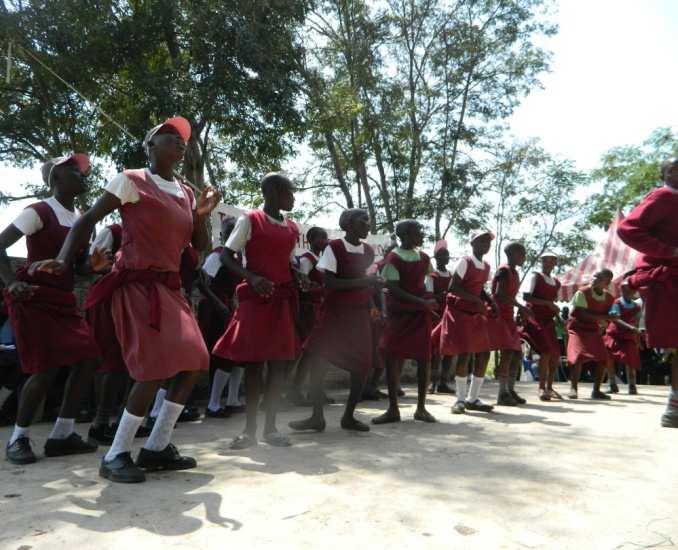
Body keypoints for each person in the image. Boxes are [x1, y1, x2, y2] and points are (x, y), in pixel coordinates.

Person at [31, 116, 220, 482]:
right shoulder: (130, 180)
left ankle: (157, 447)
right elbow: (87, 222)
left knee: (196, 362)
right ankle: (116, 454)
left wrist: (201, 216)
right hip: (136, 285)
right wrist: (63, 258)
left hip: (168, 288)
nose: (179, 143)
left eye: (182, 141)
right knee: (153, 368)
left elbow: (199, 246)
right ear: (149, 145)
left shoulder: (185, 192)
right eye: (169, 137)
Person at [0, 154, 102, 464]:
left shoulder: (84, 219)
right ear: (55, 177)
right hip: (35, 297)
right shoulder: (39, 211)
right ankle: (18, 439)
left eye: (81, 170)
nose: (80, 174)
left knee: (88, 359)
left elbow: (79, 268)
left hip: (64, 300)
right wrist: (9, 284)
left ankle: (62, 435)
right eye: (72, 169)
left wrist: (93, 266)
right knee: (45, 369)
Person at [212, 172, 306, 449]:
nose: (293, 197)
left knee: (277, 366)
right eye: (290, 192)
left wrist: (298, 276)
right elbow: (226, 256)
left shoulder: (291, 228)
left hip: (281, 301)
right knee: (254, 365)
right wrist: (251, 277)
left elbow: (288, 262)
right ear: (275, 192)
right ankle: (249, 430)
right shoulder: (250, 220)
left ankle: (271, 428)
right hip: (256, 300)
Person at [289, 208, 383, 433]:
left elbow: (367, 283)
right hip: (335, 313)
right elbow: (331, 284)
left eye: (368, 220)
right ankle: (316, 417)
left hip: (359, 315)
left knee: (362, 365)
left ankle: (348, 416)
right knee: (316, 357)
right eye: (363, 220)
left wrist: (372, 301)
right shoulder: (335, 248)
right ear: (348, 224)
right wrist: (366, 282)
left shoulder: (369, 251)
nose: (368, 224)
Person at [617, 157, 678, 427]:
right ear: (663, 174)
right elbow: (627, 228)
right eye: (673, 169)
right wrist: (669, 251)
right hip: (669, 278)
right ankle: (674, 406)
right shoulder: (662, 196)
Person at [372, 220, 437, 424]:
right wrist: (420, 301)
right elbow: (393, 288)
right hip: (399, 314)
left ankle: (421, 408)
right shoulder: (393, 258)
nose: (422, 235)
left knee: (424, 358)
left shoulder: (425, 258)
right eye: (418, 231)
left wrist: (430, 299)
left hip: (420, 316)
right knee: (392, 356)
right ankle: (393, 408)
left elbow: (428, 284)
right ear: (406, 234)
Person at [441, 230, 497, 415]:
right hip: (461, 312)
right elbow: (454, 287)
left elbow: (479, 289)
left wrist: (490, 301)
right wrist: (475, 300)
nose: (485, 245)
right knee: (465, 354)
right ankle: (460, 400)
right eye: (481, 241)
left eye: (488, 242)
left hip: (475, 312)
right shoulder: (465, 262)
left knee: (483, 354)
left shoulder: (486, 266)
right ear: (472, 244)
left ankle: (473, 399)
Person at [197, 216, 245, 417]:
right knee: (222, 355)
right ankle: (213, 404)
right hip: (215, 310)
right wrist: (218, 304)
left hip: (232, 309)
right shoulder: (218, 255)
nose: (234, 233)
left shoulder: (238, 257)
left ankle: (233, 400)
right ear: (223, 234)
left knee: (239, 356)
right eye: (230, 229)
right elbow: (202, 282)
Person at [487, 242, 533, 406]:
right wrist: (521, 306)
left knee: (516, 353)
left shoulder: (515, 272)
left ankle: (510, 389)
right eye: (522, 254)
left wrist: (519, 309)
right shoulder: (504, 270)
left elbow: (510, 296)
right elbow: (499, 295)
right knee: (507, 353)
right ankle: (502, 394)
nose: (524, 257)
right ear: (513, 254)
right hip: (498, 315)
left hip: (508, 316)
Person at [288, 226, 329, 406]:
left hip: (319, 309)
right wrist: (316, 289)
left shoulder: (322, 260)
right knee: (307, 352)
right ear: (311, 239)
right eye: (322, 238)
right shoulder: (307, 259)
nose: (326, 241)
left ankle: (315, 390)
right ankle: (295, 391)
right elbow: (302, 284)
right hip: (308, 310)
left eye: (326, 238)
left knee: (318, 353)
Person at [566, 269, 617, 400]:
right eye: (595, 276)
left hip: (593, 330)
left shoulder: (610, 298)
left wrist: (611, 317)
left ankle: (596, 391)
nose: (595, 279)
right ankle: (573, 388)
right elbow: (583, 314)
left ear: (607, 282)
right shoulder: (582, 293)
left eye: (600, 278)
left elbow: (612, 315)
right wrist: (604, 317)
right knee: (577, 356)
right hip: (577, 328)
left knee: (603, 358)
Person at [522, 251, 563, 401]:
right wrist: (548, 304)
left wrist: (558, 316)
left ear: (555, 263)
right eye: (546, 260)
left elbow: (552, 304)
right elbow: (526, 297)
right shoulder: (536, 276)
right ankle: (541, 388)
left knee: (555, 354)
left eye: (552, 260)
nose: (549, 263)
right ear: (542, 261)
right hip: (535, 318)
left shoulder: (556, 282)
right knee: (545, 351)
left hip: (548, 321)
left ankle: (550, 387)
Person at [604, 282, 642, 395]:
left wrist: (637, 339)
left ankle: (632, 386)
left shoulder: (636, 306)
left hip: (628, 336)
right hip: (614, 334)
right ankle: (612, 385)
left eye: (631, 290)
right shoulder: (616, 302)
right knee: (609, 359)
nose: (628, 292)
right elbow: (615, 319)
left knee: (630, 360)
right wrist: (631, 327)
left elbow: (637, 323)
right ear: (622, 290)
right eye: (625, 290)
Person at [428, 240, 455, 395]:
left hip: (449, 315)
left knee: (449, 349)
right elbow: (429, 295)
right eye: (442, 255)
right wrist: (441, 295)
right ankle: (433, 382)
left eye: (447, 255)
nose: (446, 257)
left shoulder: (451, 275)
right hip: (437, 315)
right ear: (436, 258)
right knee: (436, 351)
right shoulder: (432, 276)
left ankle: (443, 382)